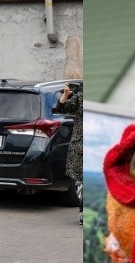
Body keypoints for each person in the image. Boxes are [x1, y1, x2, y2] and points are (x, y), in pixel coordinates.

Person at [54, 81, 83, 225]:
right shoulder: (80, 98)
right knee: (82, 181)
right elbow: (61, 108)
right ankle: (84, 214)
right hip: (81, 146)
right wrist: (65, 94)